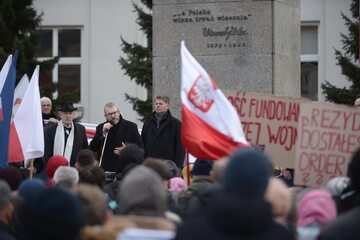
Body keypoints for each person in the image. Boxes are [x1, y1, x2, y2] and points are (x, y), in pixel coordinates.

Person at [90, 102, 142, 173]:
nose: (113, 116)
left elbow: (140, 146)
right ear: (105, 116)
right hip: (107, 169)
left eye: (115, 112)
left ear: (119, 112)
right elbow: (93, 147)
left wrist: (126, 150)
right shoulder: (101, 127)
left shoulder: (131, 126)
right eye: (110, 114)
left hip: (125, 168)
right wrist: (102, 133)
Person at [141, 96, 185, 168]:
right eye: (156, 104)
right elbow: (142, 143)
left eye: (160, 104)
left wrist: (177, 167)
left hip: (168, 165)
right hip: (150, 164)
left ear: (167, 105)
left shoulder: (176, 124)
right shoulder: (148, 122)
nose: (158, 105)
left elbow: (180, 148)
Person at [43, 102, 89, 167]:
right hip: (56, 170)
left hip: (76, 170)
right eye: (65, 113)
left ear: (73, 115)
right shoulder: (51, 130)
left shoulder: (80, 129)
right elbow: (47, 153)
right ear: (60, 115)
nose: (68, 116)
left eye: (70, 113)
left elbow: (85, 151)